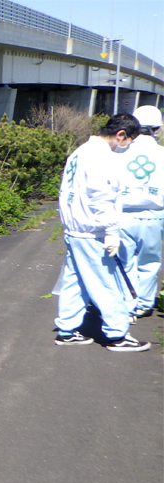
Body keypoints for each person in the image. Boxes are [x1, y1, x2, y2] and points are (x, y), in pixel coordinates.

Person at [54, 113, 150, 352]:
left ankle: (66, 330)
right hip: (92, 230)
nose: (126, 146)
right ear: (121, 135)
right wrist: (110, 230)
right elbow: (101, 196)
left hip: (75, 229)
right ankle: (117, 334)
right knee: (107, 282)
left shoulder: (81, 151)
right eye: (129, 140)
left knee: (75, 281)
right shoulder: (101, 156)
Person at [116, 105, 164, 319]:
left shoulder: (119, 151)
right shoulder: (161, 153)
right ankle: (144, 303)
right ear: (157, 129)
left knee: (125, 261)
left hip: (122, 214)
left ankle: (127, 303)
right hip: (154, 216)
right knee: (150, 261)